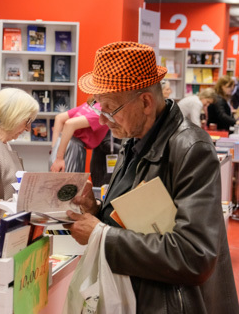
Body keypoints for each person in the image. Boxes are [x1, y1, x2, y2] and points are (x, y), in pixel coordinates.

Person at [66, 41, 238, 313]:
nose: (102, 120)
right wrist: (97, 213)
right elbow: (134, 224)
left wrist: (102, 236)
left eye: (110, 109)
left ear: (145, 102)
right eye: (98, 106)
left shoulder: (190, 148)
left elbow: (194, 255)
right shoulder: (133, 139)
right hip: (136, 296)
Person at [49, 101, 109, 173]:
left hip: (60, 145)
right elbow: (70, 124)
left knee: (54, 182)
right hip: (73, 149)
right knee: (70, 183)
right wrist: (59, 158)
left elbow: (59, 118)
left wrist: (54, 150)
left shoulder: (93, 103)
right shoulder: (103, 111)